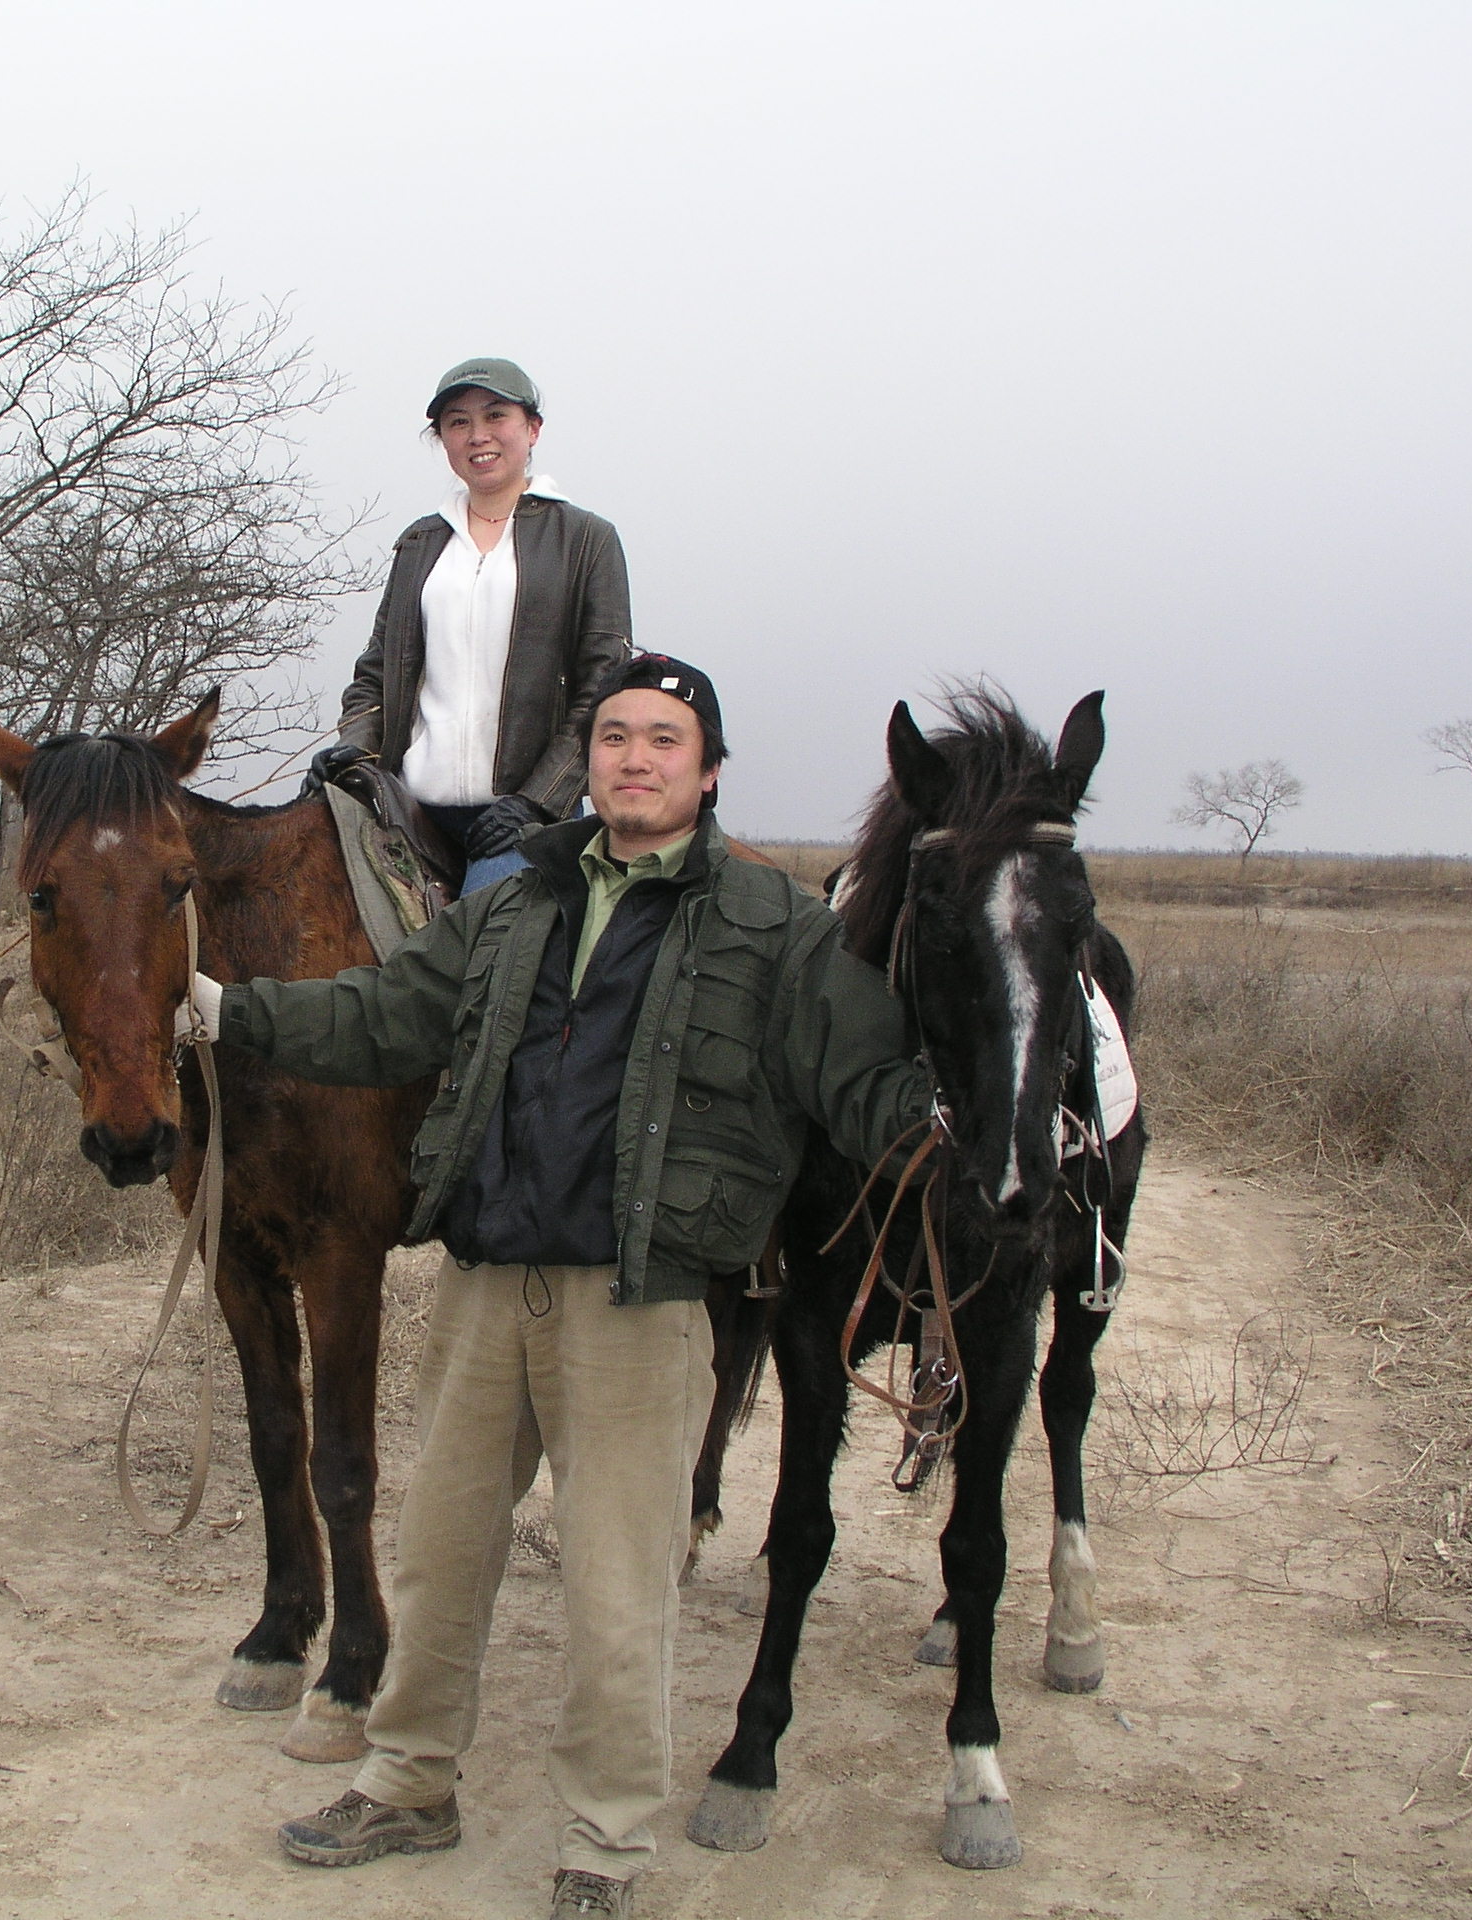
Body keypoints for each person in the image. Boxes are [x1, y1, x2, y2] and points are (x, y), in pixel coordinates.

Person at [191, 655, 938, 1919]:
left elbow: (862, 1083)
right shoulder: (515, 902)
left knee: (616, 1588)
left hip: (639, 1308)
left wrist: (941, 1127)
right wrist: (229, 1014)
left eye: (664, 738)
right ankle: (409, 1783)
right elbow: (382, 1015)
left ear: (706, 770)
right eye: (613, 737)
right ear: (587, 763)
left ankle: (601, 1841)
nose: (634, 757)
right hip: (490, 1286)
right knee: (438, 1560)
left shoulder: (774, 928)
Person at [305, 356, 633, 894]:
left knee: (479, 954)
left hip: (524, 816)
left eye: (495, 416)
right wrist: (355, 750)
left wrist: (535, 802)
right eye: (457, 422)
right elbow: (375, 672)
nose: (477, 435)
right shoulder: (420, 543)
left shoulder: (586, 538)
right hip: (412, 809)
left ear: (532, 428)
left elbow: (604, 688)